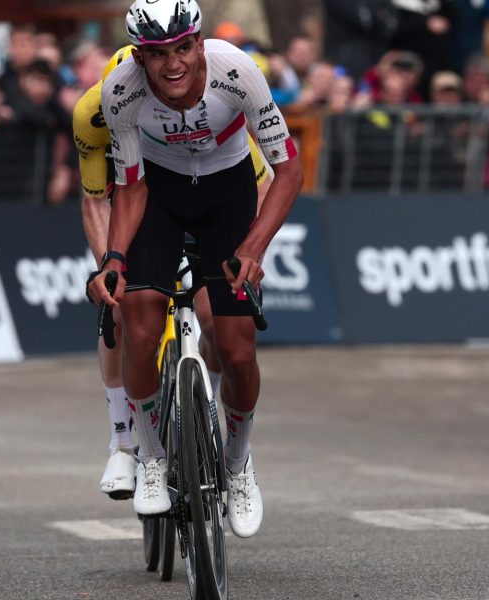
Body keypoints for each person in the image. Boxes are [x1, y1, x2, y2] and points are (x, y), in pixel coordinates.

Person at [87, 0, 303, 538]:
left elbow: (288, 168)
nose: (173, 64)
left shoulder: (237, 72)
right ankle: (153, 457)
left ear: (200, 43)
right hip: (158, 195)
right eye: (158, 54)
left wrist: (253, 246)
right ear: (140, 56)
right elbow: (130, 186)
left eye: (183, 48)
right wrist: (114, 258)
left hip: (227, 193)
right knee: (137, 321)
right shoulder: (122, 91)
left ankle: (237, 463)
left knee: (234, 348)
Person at [74, 45, 273, 501]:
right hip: (137, 186)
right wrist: (110, 265)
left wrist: (249, 252)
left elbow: (259, 185)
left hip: (211, 188)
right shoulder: (96, 112)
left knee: (216, 322)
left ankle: (209, 404)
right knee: (121, 313)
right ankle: (124, 442)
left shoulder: (214, 98)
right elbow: (95, 199)